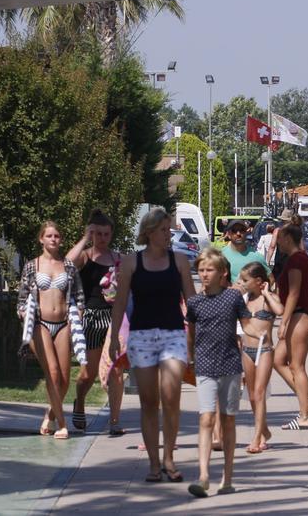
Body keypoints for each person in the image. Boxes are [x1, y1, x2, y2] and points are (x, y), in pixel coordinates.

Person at [109, 207, 196, 483]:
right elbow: (120, 301)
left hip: (172, 334)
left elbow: (192, 302)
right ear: (149, 232)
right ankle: (154, 463)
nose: (168, 234)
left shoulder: (180, 260)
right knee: (149, 401)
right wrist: (113, 338)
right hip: (141, 336)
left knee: (171, 398)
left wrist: (196, 336)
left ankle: (169, 458)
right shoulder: (132, 262)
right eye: (163, 230)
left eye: (168, 229)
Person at [185, 249, 249, 498]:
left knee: (228, 420)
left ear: (222, 273)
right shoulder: (194, 302)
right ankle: (203, 476)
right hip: (204, 366)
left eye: (209, 270)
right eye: (201, 270)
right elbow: (191, 331)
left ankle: (228, 477)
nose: (204, 274)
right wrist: (190, 357)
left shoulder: (233, 298)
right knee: (206, 419)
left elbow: (246, 326)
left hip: (231, 365)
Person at [17, 221, 85, 440]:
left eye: (57, 236)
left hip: (64, 323)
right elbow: (21, 298)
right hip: (40, 323)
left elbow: (79, 296)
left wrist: (79, 317)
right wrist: (23, 313)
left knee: (65, 378)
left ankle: (50, 413)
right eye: (49, 236)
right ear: (41, 239)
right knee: (53, 373)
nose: (53, 239)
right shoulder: (32, 266)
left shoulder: (68, 266)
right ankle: (62, 424)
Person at [67, 210, 125, 436]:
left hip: (113, 318)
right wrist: (84, 239)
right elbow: (67, 264)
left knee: (116, 370)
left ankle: (114, 420)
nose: (102, 238)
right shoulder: (85, 256)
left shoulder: (117, 258)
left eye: (106, 234)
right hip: (91, 317)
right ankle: (80, 400)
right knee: (87, 374)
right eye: (98, 234)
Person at [273, 222, 308, 430]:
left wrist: (283, 322)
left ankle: (304, 416)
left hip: (301, 315)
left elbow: (293, 292)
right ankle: (307, 404)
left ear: (287, 239)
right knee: (278, 360)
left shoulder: (295, 260)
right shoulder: (300, 258)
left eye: (279, 237)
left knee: (297, 366)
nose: (276, 241)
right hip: (300, 315)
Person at [237, 262, 282, 454]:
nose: (242, 283)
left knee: (260, 392)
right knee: (252, 395)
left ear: (258, 281)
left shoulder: (269, 298)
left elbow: (279, 311)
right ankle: (263, 430)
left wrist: (266, 294)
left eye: (245, 280)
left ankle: (257, 437)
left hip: (265, 350)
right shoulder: (244, 299)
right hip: (246, 349)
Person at [221, 220, 269, 285]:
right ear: (229, 235)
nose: (238, 234)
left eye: (242, 230)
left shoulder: (256, 256)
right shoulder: (221, 255)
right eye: (234, 231)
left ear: (246, 233)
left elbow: (271, 280)